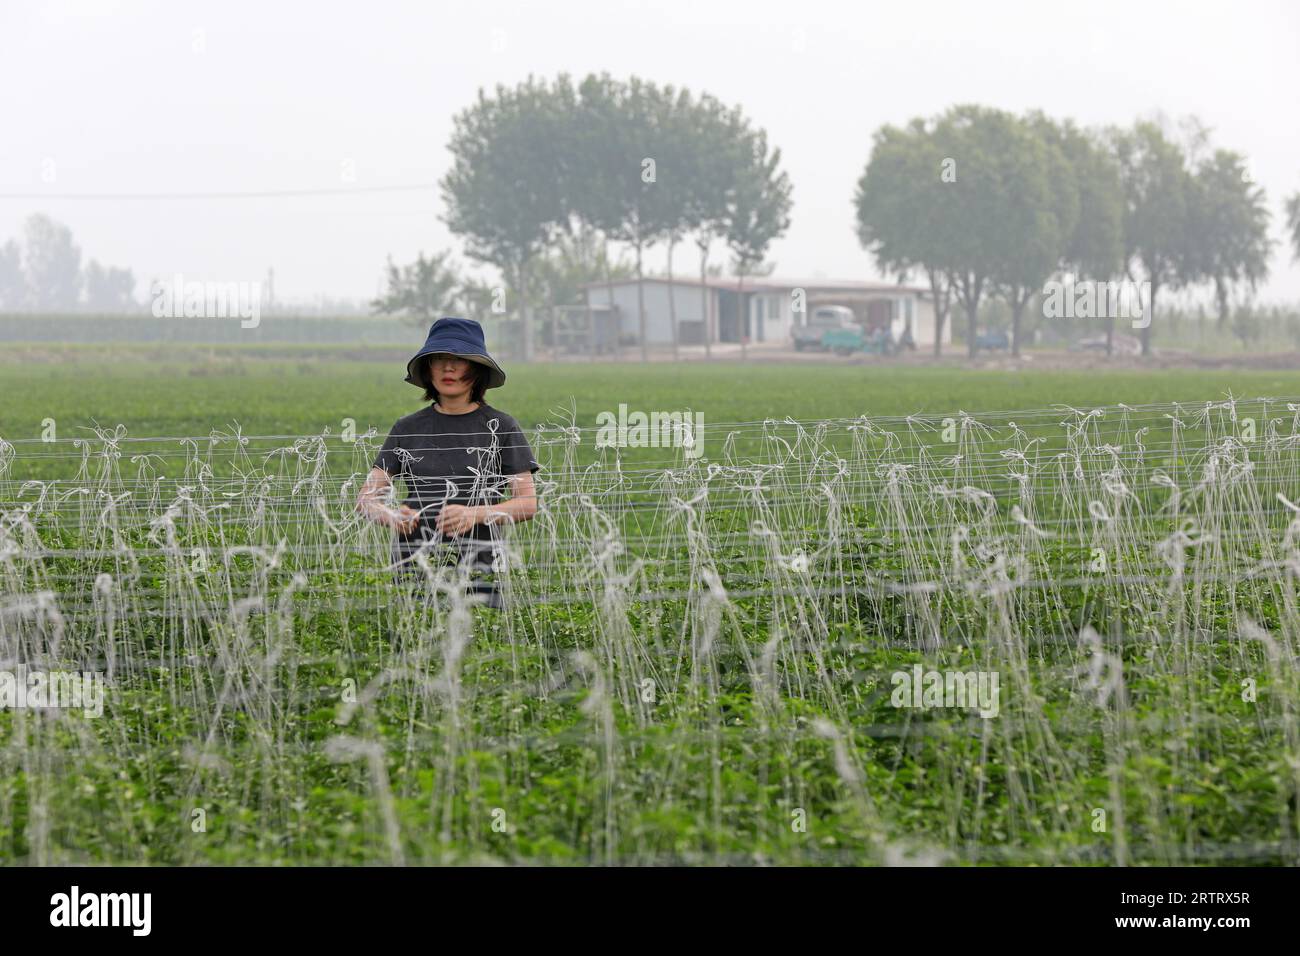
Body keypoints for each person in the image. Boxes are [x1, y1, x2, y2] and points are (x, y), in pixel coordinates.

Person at [355, 317, 539, 609]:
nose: (448, 368)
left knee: (483, 643)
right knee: (415, 640)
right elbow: (366, 499)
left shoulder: (501, 426)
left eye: (458, 359)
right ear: (428, 369)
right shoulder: (408, 428)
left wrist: (476, 514)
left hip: (483, 562)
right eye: (439, 359)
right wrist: (391, 516)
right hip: (414, 562)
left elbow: (527, 504)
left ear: (476, 369)